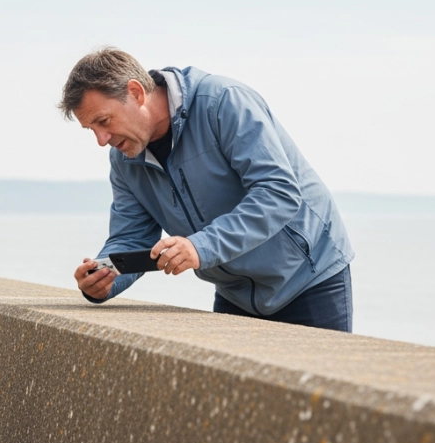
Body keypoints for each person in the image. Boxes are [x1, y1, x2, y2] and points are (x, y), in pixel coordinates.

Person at [61, 48, 355, 331]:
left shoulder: (223, 102)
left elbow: (277, 193)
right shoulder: (124, 159)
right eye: (92, 129)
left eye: (104, 121)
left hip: (309, 277)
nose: (101, 140)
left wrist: (201, 247)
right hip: (234, 292)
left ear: (136, 92)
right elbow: (132, 236)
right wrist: (105, 277)